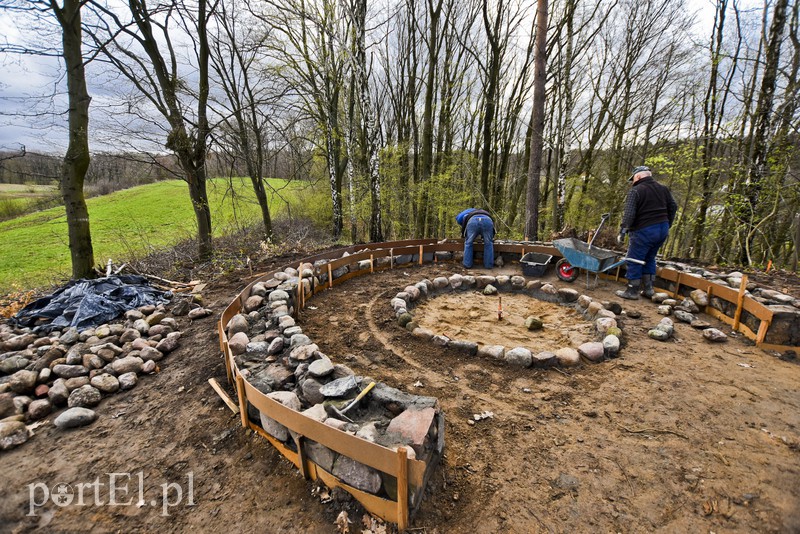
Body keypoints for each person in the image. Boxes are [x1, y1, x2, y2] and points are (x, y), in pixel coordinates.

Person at [615, 166, 678, 300]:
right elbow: (673, 206)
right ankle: (648, 289)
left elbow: (629, 214)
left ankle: (632, 291)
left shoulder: (636, 191)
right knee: (649, 257)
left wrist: (623, 230)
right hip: (662, 229)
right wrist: (668, 223)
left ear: (638, 177)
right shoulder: (663, 189)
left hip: (645, 229)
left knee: (634, 259)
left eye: (632, 179)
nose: (632, 182)